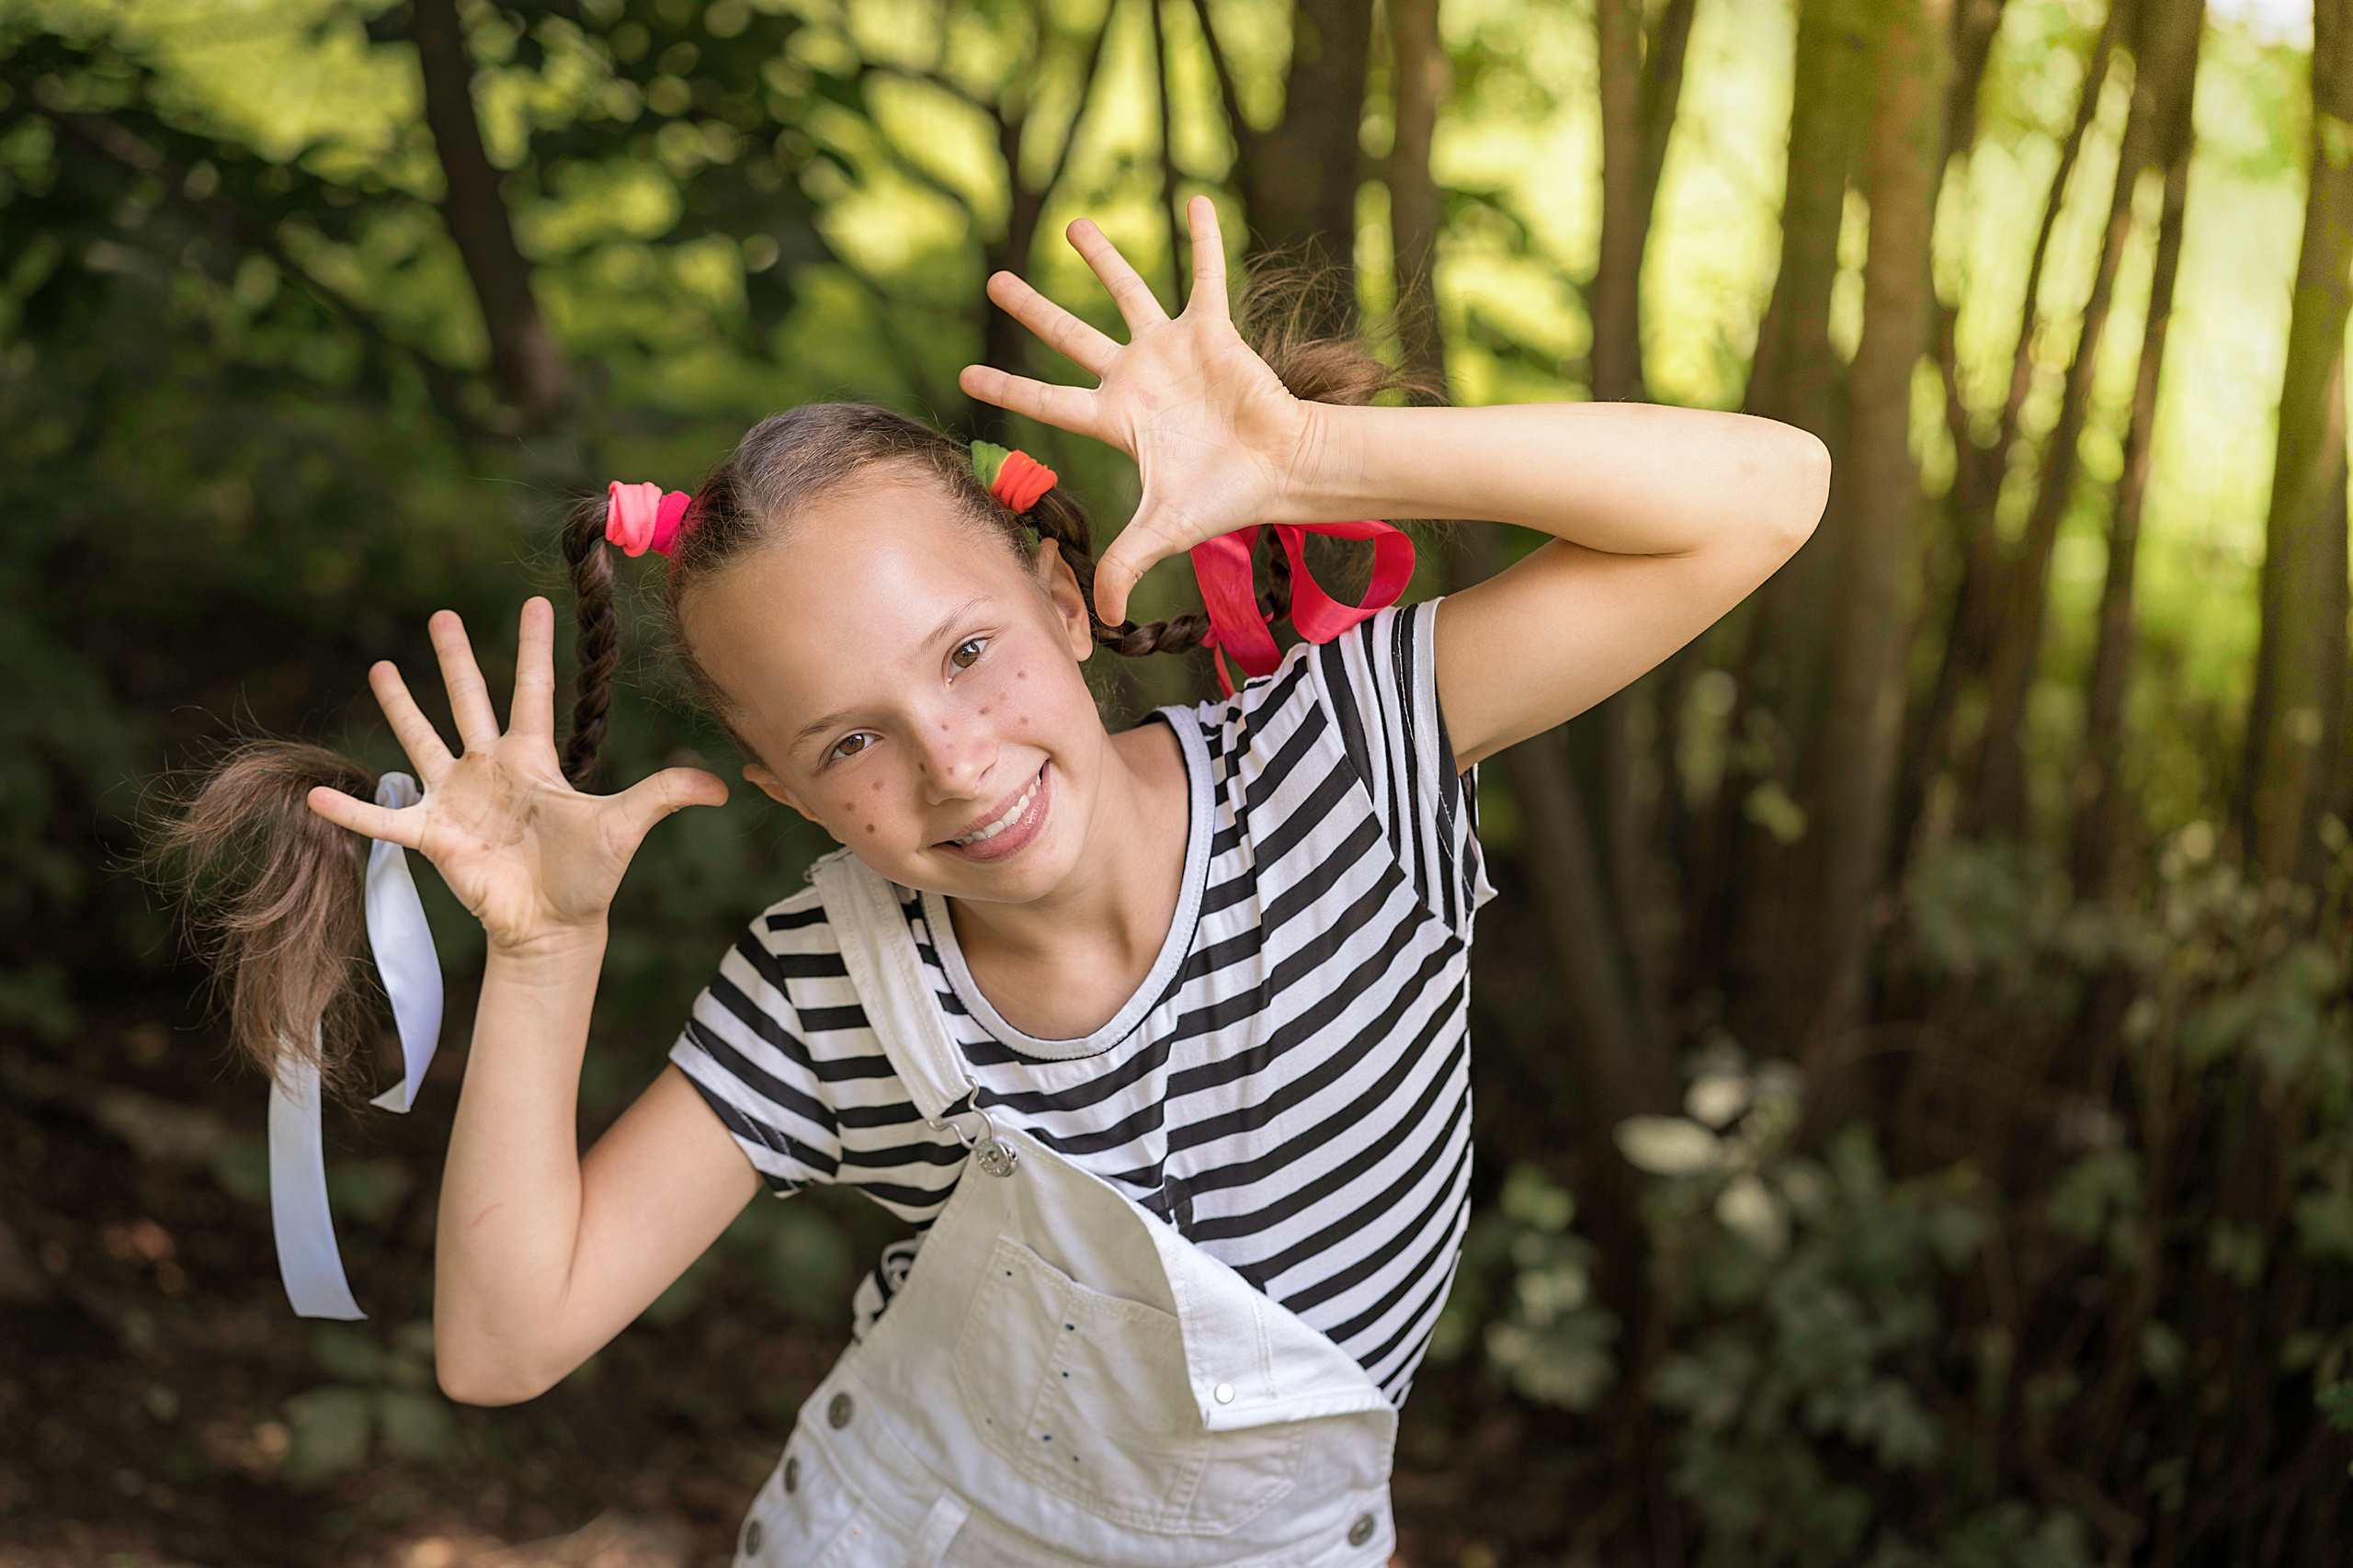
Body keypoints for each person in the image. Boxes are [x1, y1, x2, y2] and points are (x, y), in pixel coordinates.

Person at [165, 199, 1826, 1565]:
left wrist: (1312, 456)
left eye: (968, 652)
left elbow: (1765, 496)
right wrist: (542, 955)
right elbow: (505, 1340)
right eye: (850, 743)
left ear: (1066, 596)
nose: (952, 759)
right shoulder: (828, 984)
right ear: (786, 792)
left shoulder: (1344, 762)